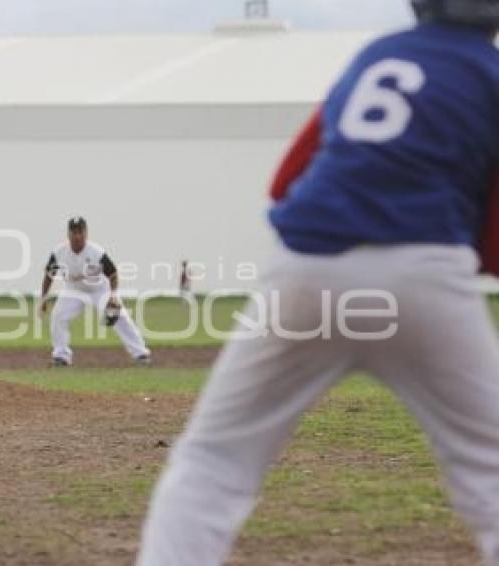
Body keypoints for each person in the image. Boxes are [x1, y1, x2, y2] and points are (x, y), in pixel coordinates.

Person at [138, 2, 499, 564]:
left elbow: (287, 182)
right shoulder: (491, 76)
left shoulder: (377, 56)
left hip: (306, 267)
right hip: (424, 270)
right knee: (489, 468)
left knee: (214, 461)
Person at [40, 216, 151, 367]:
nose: (77, 236)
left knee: (119, 316)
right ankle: (61, 356)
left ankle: (141, 354)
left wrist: (113, 295)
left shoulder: (96, 252)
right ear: (68, 234)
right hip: (73, 290)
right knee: (58, 316)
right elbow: (48, 276)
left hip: (99, 290)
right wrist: (43, 298)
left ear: (86, 233)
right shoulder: (59, 253)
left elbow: (113, 274)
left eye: (81, 231)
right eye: (74, 232)